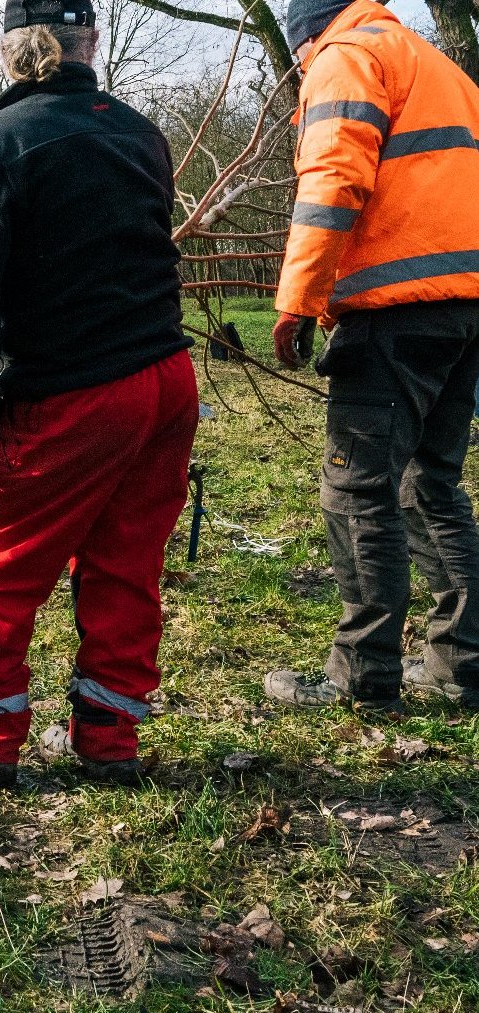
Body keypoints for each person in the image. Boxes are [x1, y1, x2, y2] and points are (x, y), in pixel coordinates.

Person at [0, 0, 195, 788]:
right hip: (166, 380)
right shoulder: (141, 133)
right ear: (89, 44)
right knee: (124, 559)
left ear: (7, 54)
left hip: (78, 389)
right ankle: (108, 740)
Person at [265, 0, 479, 715]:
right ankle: (460, 659)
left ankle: (364, 672)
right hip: (466, 305)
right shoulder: (435, 63)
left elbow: (333, 182)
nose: (301, 69)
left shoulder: (346, 57)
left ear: (306, 38)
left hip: (396, 306)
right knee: (432, 483)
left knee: (356, 487)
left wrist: (298, 300)